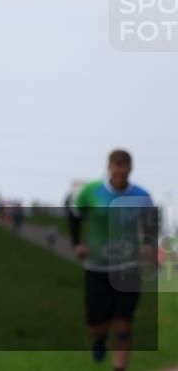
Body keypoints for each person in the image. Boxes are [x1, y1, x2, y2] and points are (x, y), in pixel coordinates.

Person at [68, 149, 157, 371]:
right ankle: (99, 338)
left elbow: (150, 227)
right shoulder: (92, 192)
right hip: (97, 268)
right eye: (116, 168)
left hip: (128, 267)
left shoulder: (141, 196)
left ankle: (119, 368)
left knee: (123, 324)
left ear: (130, 169)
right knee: (96, 325)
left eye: (124, 169)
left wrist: (149, 248)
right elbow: (75, 215)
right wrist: (77, 243)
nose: (120, 174)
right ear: (109, 168)